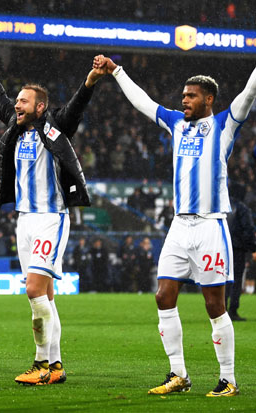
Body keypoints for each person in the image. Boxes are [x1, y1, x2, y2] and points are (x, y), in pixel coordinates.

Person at [96, 55, 256, 397]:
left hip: (211, 226)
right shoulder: (176, 123)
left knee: (215, 304)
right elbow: (143, 103)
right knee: (163, 296)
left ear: (208, 99)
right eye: (183, 95)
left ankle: (228, 379)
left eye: (191, 95)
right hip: (179, 227)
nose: (184, 99)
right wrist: (117, 71)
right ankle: (178, 374)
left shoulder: (226, 124)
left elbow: (249, 91)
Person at [0, 50, 104, 385]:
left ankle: (41, 364)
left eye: (24, 101)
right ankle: (55, 367)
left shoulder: (55, 126)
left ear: (39, 107)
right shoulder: (15, 127)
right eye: (18, 100)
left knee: (33, 290)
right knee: (44, 298)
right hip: (24, 220)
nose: (17, 105)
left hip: (50, 218)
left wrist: (90, 81)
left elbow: (75, 108)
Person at [225, 183, 256, 321]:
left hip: (221, 247)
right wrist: (252, 247)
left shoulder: (221, 209)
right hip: (237, 248)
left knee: (222, 278)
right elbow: (248, 230)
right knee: (236, 279)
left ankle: (221, 309)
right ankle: (233, 310)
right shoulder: (242, 208)